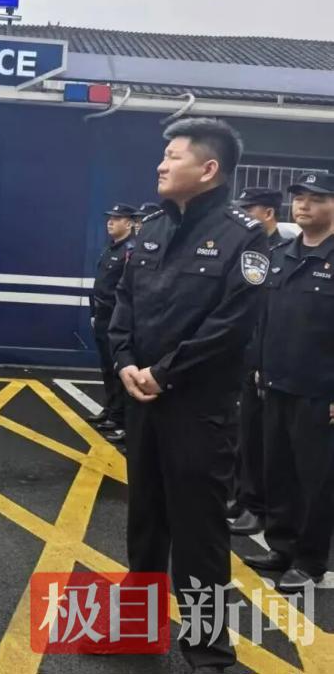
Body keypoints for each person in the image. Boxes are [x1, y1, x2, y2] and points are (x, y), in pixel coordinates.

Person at [109, 117, 268, 673]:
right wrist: (126, 363)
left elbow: (232, 323)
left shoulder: (244, 237)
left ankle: (208, 653)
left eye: (173, 156)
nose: (161, 165)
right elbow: (124, 304)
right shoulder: (151, 228)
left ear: (208, 168)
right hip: (144, 403)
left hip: (199, 412)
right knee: (145, 523)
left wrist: (164, 373)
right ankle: (136, 630)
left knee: (199, 534)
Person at [243, 172, 334, 593]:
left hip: (319, 392)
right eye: (299, 198)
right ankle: (281, 547)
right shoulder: (281, 254)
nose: (304, 205)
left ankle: (309, 561)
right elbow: (265, 317)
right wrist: (260, 366)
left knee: (315, 480)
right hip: (275, 383)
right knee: (277, 471)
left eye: (317, 198)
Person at [229, 188, 291, 535]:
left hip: (271, 360)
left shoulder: (284, 251)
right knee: (244, 434)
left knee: (264, 440)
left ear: (268, 213)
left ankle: (257, 506)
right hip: (245, 355)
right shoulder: (245, 248)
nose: (242, 215)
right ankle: (242, 496)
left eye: (248, 209)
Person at [88, 203, 136, 444]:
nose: (110, 222)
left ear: (129, 223)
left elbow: (126, 290)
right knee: (107, 367)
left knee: (119, 368)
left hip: (116, 317)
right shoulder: (110, 248)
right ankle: (110, 409)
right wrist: (93, 313)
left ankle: (119, 417)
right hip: (102, 315)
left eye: (117, 218)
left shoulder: (130, 250)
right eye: (110, 218)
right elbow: (100, 284)